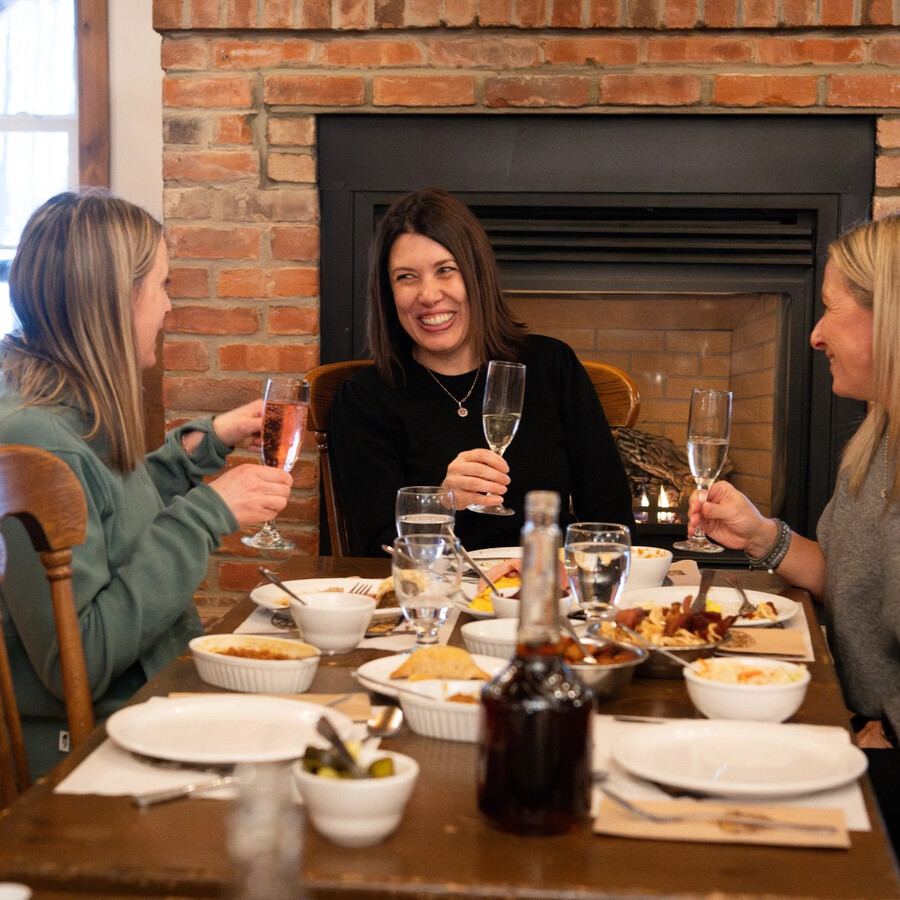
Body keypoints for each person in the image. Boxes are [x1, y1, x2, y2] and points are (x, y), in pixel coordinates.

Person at [0, 190, 292, 776]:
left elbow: (106, 516)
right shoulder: (38, 438)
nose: (168, 307)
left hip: (150, 703)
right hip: (89, 750)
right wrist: (206, 513)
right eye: (162, 285)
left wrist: (204, 443)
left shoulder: (65, 411)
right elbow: (78, 660)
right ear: (116, 299)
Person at [688, 214, 900, 850]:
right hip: (856, 719)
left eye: (830, 309)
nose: (814, 334)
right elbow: (853, 580)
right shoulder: (879, 440)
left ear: (888, 316)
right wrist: (760, 535)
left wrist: (889, 734)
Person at [329, 188, 634, 556]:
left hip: (547, 583)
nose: (429, 295)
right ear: (387, 293)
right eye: (406, 277)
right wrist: (441, 504)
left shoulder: (551, 366)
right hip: (437, 589)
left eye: (446, 270)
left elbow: (610, 519)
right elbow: (374, 553)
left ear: (477, 274)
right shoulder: (364, 399)